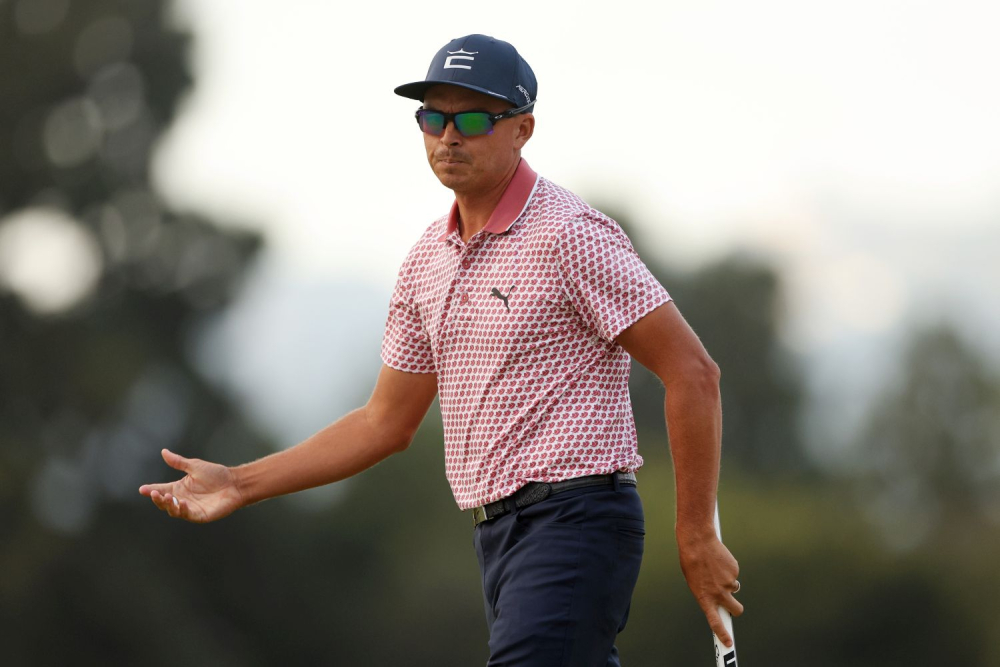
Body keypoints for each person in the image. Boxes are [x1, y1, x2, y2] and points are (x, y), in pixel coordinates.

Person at [139, 34, 743, 666]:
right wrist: (239, 482)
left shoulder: (571, 235)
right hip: (496, 536)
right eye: (434, 117)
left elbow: (693, 372)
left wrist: (696, 532)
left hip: (577, 520)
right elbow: (383, 423)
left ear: (523, 129)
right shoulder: (427, 259)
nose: (449, 136)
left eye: (475, 118)